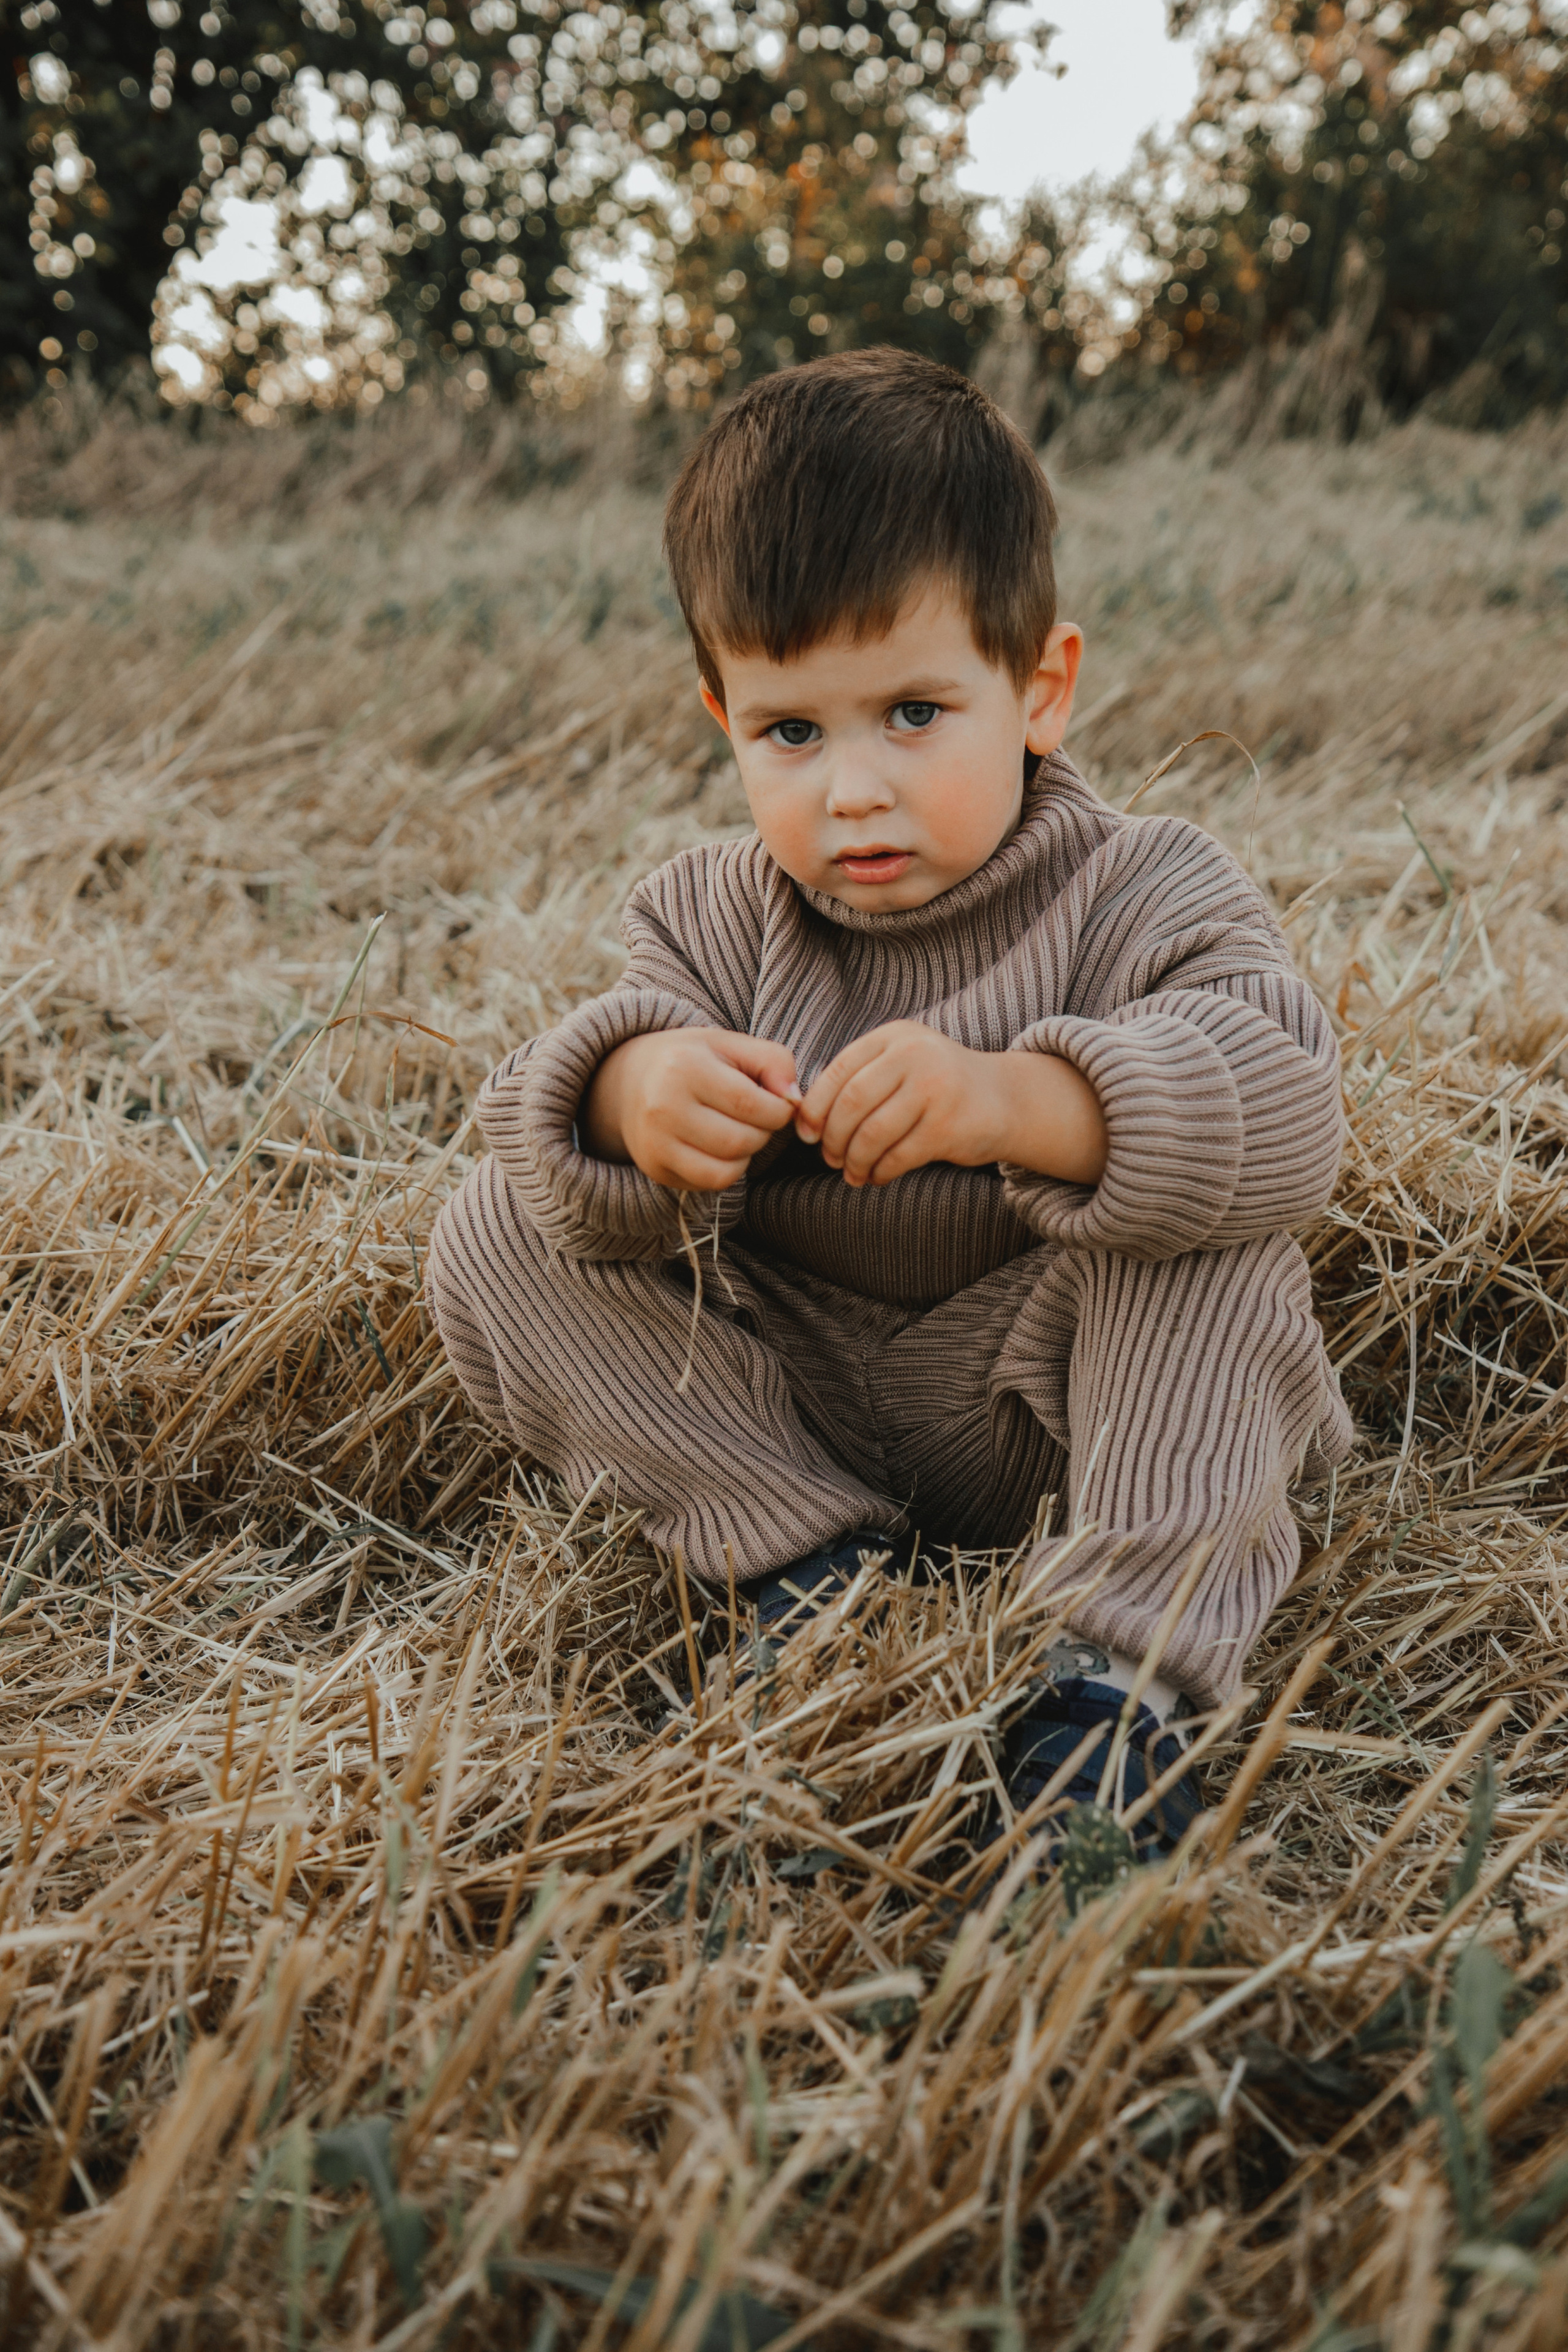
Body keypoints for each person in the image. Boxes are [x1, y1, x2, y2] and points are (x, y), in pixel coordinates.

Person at [426, 347, 1352, 1860]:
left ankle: (1117, 1700)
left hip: (1060, 1403)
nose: (850, 790)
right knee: (493, 1228)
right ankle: (800, 1580)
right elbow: (579, 1115)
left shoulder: (1141, 887)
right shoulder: (713, 916)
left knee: (1210, 1247)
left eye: (912, 714)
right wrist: (631, 1099)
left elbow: (1284, 1107)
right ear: (721, 713)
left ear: (1038, 688)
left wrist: (1022, 1099)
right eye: (790, 733)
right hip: (796, 1395)